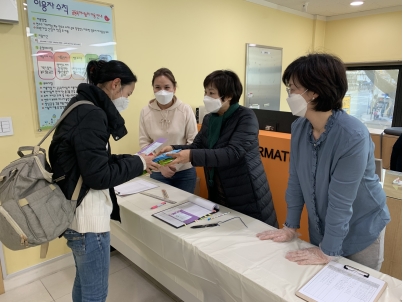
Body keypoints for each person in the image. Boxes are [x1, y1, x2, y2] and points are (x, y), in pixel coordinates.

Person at [257, 53, 390, 270]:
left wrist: (327, 250)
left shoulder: (352, 135)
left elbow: (341, 200)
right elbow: (296, 181)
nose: (289, 94)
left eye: (293, 88)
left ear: (315, 91)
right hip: (324, 225)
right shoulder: (299, 127)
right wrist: (290, 226)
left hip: (362, 225)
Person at [49, 60, 159, 302]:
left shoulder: (79, 105)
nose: (126, 101)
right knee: (95, 294)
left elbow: (96, 160)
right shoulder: (93, 114)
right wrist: (139, 164)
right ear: (115, 84)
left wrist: (138, 160)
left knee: (84, 283)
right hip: (89, 222)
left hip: (74, 215)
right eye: (128, 94)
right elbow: (99, 177)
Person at [159, 70, 278, 226]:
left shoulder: (246, 117)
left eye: (211, 93)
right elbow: (197, 146)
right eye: (205, 92)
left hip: (245, 193)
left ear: (228, 95)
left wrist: (191, 155)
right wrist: (173, 148)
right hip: (219, 192)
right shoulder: (210, 119)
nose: (206, 97)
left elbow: (232, 153)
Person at [139, 68, 198, 193]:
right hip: (158, 171)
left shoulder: (185, 110)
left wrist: (174, 165)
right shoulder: (145, 112)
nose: (162, 92)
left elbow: (193, 141)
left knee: (184, 209)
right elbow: (145, 144)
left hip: (184, 171)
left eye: (167, 87)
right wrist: (161, 167)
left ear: (174, 88)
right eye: (157, 87)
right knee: (160, 208)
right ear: (153, 89)